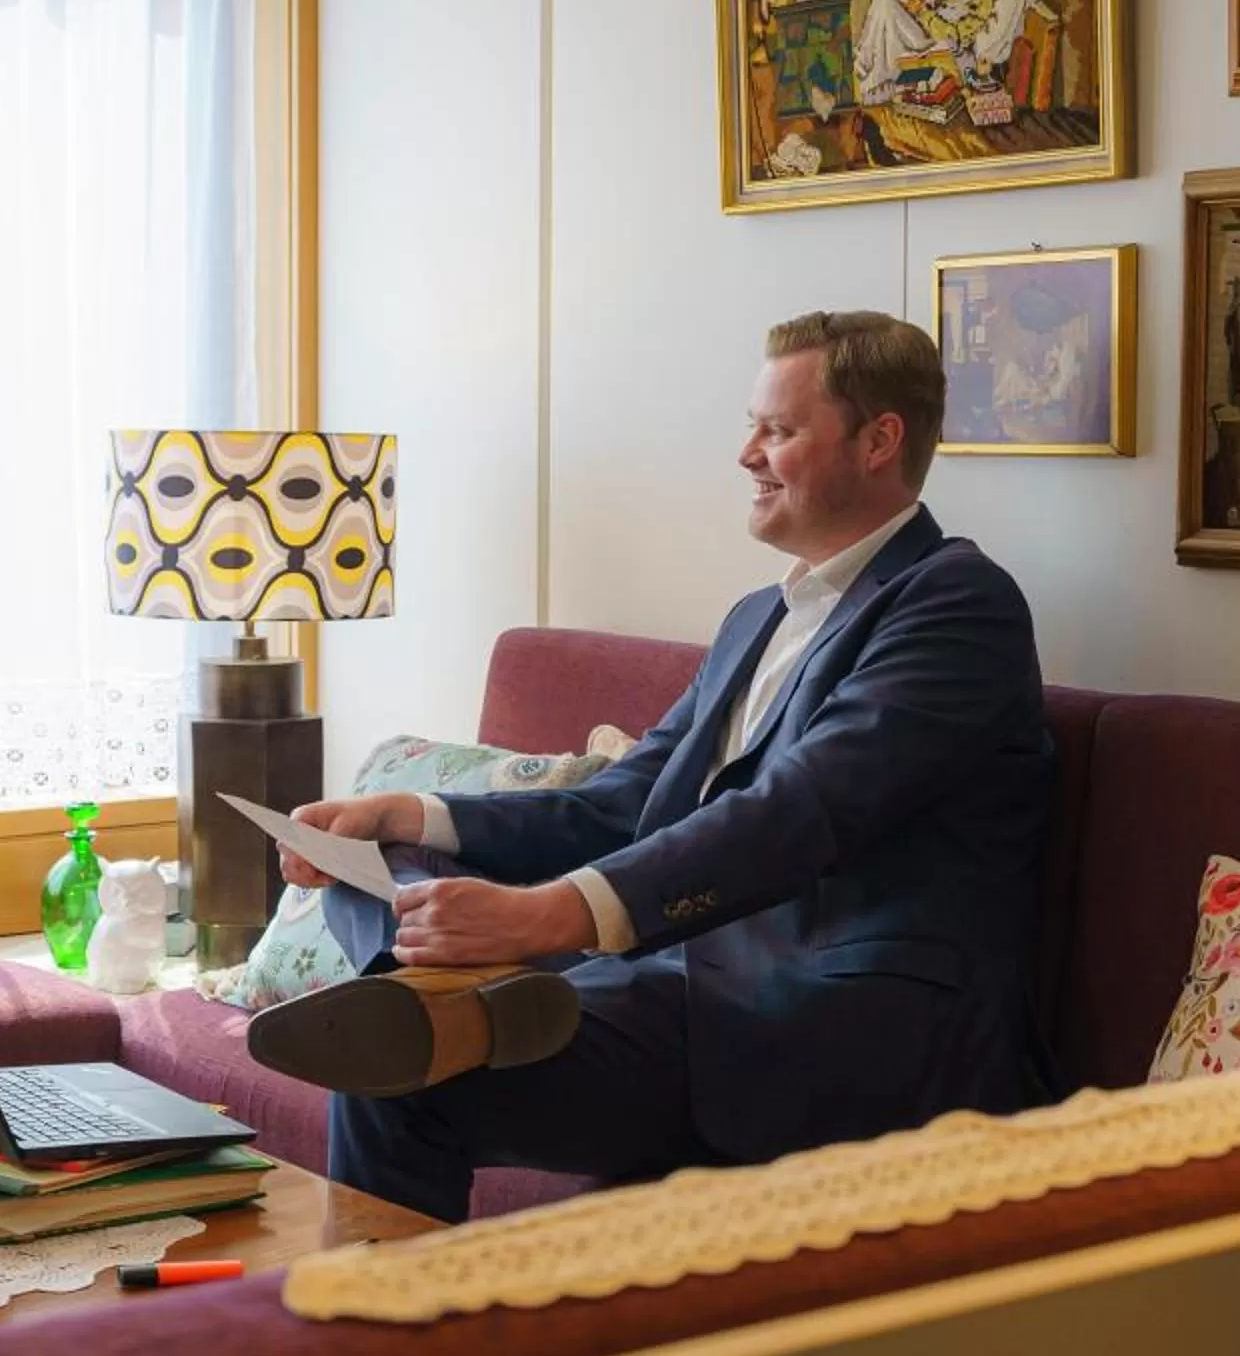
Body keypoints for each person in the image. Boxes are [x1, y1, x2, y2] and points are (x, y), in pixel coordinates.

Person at [246, 311, 1053, 1222]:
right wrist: (404, 815)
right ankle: (438, 986)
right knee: (381, 888)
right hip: (671, 993)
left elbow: (801, 810)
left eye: (778, 431)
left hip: (826, 1023)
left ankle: (386, 1345)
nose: (747, 453)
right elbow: (623, 801)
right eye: (751, 425)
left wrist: (549, 915)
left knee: (401, 1075)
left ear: (879, 441)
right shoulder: (759, 616)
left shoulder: (956, 604)